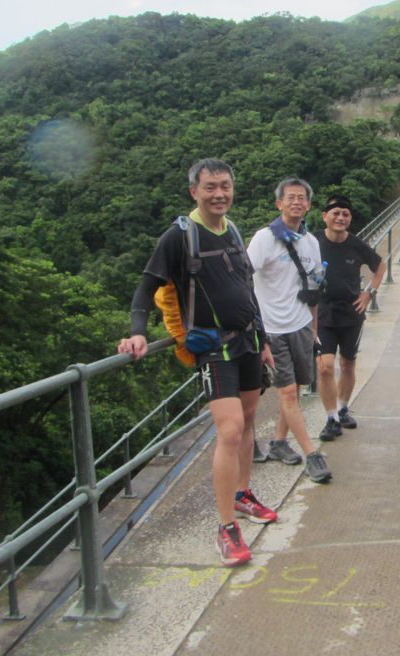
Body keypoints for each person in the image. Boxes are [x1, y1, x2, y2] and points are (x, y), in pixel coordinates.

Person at [118, 159, 276, 568]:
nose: (219, 194)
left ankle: (242, 494)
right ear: (194, 191)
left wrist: (263, 340)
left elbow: (246, 287)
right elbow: (145, 289)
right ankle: (226, 527)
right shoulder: (178, 236)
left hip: (248, 341)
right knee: (230, 429)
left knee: (249, 420)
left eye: (225, 186)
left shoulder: (232, 229)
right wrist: (137, 332)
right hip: (213, 347)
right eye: (210, 187)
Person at [246, 177, 332, 484]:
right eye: (290, 197)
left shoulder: (311, 242)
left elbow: (314, 289)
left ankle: (279, 442)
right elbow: (243, 280)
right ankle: (312, 454)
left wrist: (314, 329)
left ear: (308, 205)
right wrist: (257, 333)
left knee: (295, 388)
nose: (296, 202)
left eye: (301, 198)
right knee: (287, 392)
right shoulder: (264, 239)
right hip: (272, 329)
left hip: (301, 325)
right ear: (279, 203)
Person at [313, 195, 386, 440]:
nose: (341, 218)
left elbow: (380, 267)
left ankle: (342, 408)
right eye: (336, 213)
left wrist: (369, 293)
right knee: (325, 367)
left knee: (347, 364)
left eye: (345, 214)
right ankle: (331, 418)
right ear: (325, 216)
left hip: (352, 314)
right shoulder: (312, 241)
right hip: (322, 313)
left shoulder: (356, 244)